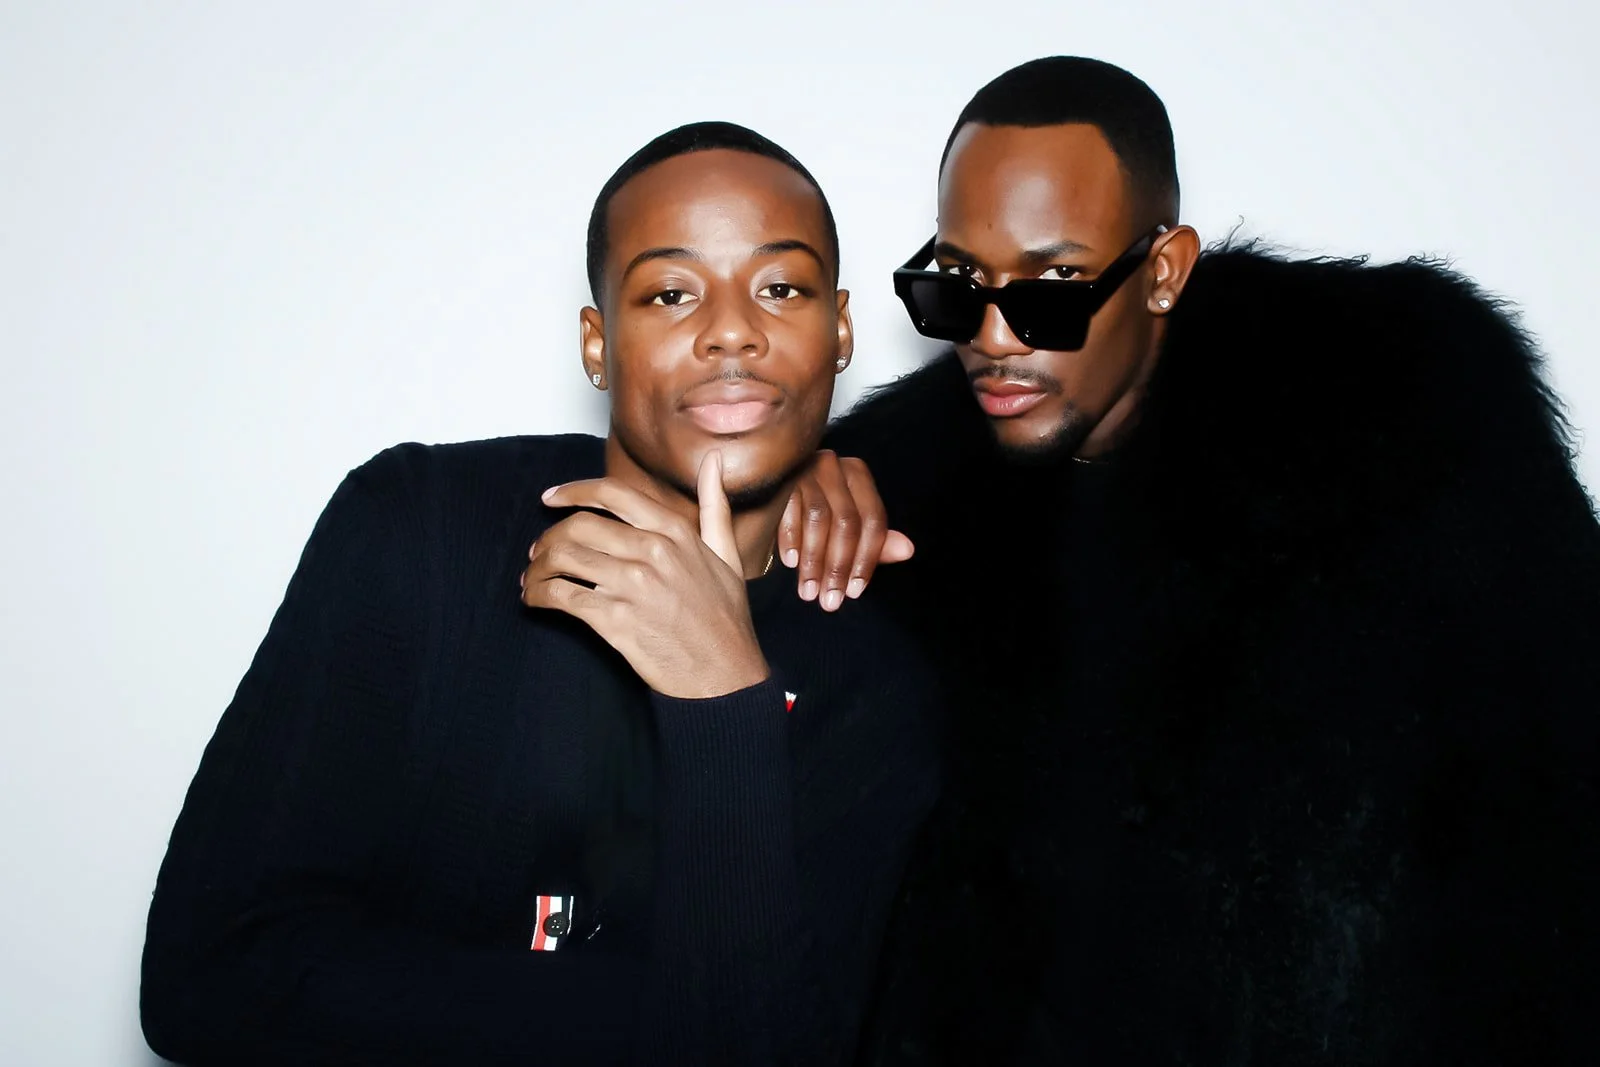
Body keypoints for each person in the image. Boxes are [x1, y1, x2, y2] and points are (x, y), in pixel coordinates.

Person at [804, 57, 1600, 1065]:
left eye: (1055, 286)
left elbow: (1559, 798)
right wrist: (790, 491)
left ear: (1164, 270)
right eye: (959, 284)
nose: (993, 339)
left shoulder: (1408, 424)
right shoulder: (907, 512)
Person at [140, 120, 937, 1067]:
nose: (732, 329)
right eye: (670, 292)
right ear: (598, 345)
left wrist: (724, 695)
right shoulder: (422, 531)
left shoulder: (885, 673)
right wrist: (664, 1022)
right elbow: (208, 975)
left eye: (781, 287)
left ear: (839, 332)